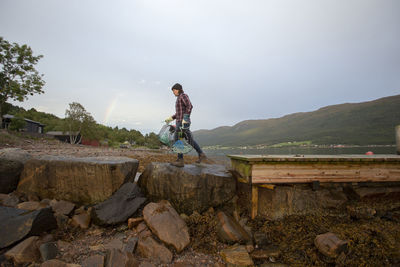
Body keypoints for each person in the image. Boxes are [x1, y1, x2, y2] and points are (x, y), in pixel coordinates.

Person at [165, 83, 208, 167]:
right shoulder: (178, 98)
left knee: (177, 139)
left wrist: (185, 118)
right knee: (188, 140)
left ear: (178, 89)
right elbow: (179, 112)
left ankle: (180, 160)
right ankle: (201, 154)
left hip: (182, 123)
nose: (173, 92)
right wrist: (171, 118)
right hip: (180, 122)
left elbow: (189, 106)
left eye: (174, 90)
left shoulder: (183, 96)